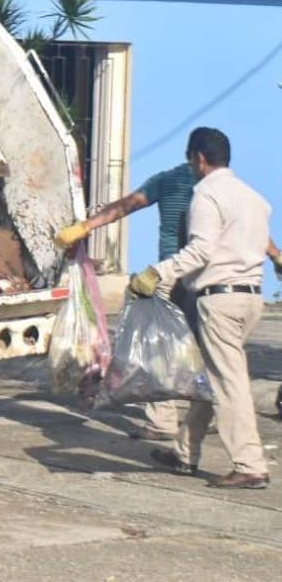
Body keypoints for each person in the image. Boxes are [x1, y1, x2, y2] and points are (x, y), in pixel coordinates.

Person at [130, 127, 272, 489]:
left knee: (229, 383)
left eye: (190, 158)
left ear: (199, 158)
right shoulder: (253, 198)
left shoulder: (206, 195)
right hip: (251, 297)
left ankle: (250, 464)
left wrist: (158, 271)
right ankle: (184, 453)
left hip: (218, 299)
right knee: (214, 377)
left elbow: (201, 251)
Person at [56, 162, 197, 440]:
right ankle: (202, 415)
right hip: (204, 277)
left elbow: (127, 205)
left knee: (157, 347)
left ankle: (162, 423)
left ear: (193, 154)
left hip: (168, 273)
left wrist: (85, 227)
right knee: (204, 349)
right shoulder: (217, 187)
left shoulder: (168, 179)